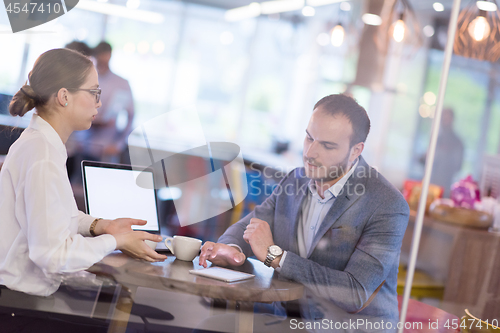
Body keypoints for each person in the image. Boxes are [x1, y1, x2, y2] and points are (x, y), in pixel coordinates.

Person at [199, 94, 410, 324]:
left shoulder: (386, 204)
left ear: (355, 151)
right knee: (212, 326)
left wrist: (276, 256)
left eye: (327, 146)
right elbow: (251, 225)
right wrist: (231, 249)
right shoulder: (295, 180)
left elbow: (355, 293)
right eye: (309, 138)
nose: (310, 153)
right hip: (289, 320)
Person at [0, 48, 167, 297]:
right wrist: (116, 241)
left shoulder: (43, 145)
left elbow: (55, 214)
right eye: (94, 93)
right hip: (18, 301)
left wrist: (101, 226)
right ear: (64, 96)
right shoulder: (42, 155)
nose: (99, 103)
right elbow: (52, 254)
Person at [80, 41, 135, 163]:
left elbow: (131, 116)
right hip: (83, 145)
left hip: (108, 148)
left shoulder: (121, 83)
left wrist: (119, 144)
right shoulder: (86, 79)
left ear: (110, 56)